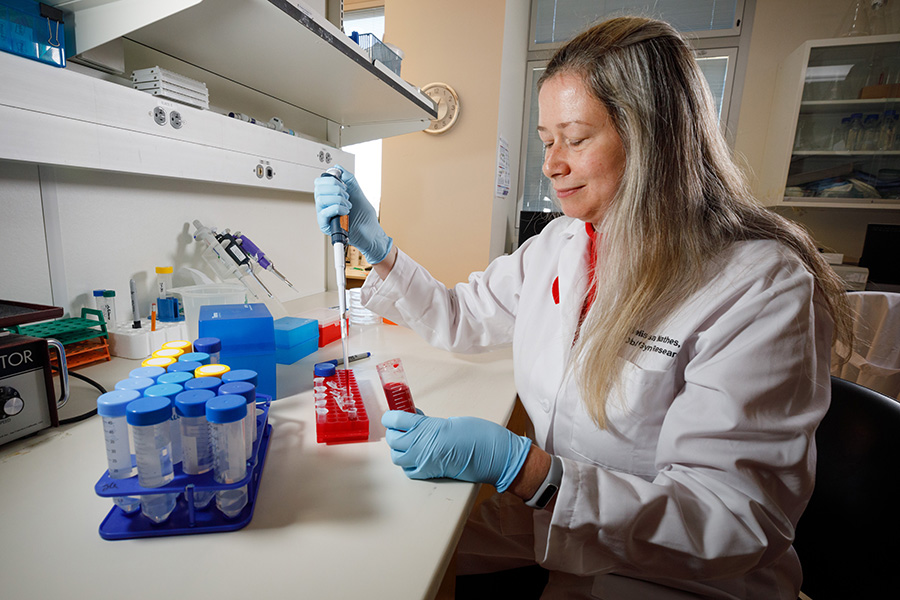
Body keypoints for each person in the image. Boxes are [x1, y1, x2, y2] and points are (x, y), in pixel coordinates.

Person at [314, 16, 852, 599]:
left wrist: (527, 470)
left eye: (575, 138)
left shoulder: (757, 285)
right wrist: (382, 250)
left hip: (684, 575)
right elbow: (461, 316)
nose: (551, 165)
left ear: (654, 137)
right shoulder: (560, 244)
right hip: (564, 519)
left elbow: (733, 518)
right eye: (547, 141)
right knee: (387, 555)